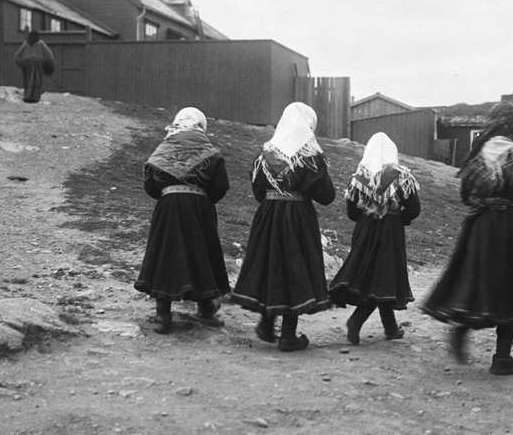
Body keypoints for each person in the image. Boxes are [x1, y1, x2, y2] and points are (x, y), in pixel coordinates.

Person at [420, 101, 513, 375]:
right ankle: (501, 359)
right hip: (512, 229)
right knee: (512, 289)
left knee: (480, 282)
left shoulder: (477, 157)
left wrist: (487, 206)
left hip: (480, 228)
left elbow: (466, 195)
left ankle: (462, 328)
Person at [231, 102, 335, 351]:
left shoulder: (264, 156)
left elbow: (258, 190)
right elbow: (327, 196)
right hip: (298, 219)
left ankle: (267, 324)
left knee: (271, 265)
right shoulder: (310, 159)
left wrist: (274, 201)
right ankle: (288, 334)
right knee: (295, 270)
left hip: (268, 218)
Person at [133, 107, 231, 334]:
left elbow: (150, 184)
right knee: (201, 253)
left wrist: (168, 195)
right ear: (201, 126)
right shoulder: (210, 152)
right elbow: (221, 185)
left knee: (165, 253)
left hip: (168, 207)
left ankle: (162, 315)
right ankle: (206, 306)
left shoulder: (163, 149)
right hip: (199, 208)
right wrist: (204, 200)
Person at [329, 132, 420, 345]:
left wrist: (366, 218)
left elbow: (351, 211)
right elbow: (414, 208)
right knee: (383, 277)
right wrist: (400, 218)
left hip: (365, 229)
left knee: (372, 276)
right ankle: (356, 321)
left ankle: (390, 328)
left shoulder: (359, 177)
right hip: (391, 230)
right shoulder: (401, 176)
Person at [14, 30, 55, 103]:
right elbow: (48, 53)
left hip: (26, 64)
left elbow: (18, 54)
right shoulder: (40, 43)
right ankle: (35, 97)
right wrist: (49, 63)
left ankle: (27, 96)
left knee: (27, 80)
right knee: (37, 80)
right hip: (38, 64)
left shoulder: (26, 43)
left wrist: (20, 61)